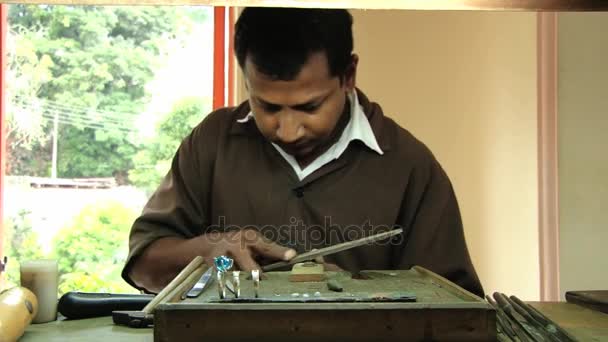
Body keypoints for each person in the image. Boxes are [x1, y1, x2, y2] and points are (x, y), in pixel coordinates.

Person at [122, 7, 484, 297]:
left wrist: (355, 292)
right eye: (267, 106)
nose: (288, 131)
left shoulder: (409, 166)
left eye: (309, 107)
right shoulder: (212, 142)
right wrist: (204, 252)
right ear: (246, 78)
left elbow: (456, 310)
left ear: (348, 75)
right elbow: (143, 265)